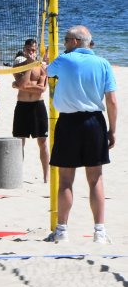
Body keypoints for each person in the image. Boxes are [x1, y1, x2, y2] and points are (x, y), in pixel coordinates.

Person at [45, 26, 117, 245]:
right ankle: (99, 232)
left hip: (68, 122)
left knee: (66, 179)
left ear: (75, 41)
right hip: (94, 122)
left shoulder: (64, 60)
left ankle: (62, 230)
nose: (64, 44)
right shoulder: (103, 63)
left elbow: (47, 72)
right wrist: (112, 130)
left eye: (66, 40)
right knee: (95, 178)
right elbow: (112, 101)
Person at [11, 39, 50, 182]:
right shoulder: (18, 66)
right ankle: (17, 176)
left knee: (43, 142)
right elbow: (22, 83)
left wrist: (21, 86)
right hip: (22, 106)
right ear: (24, 50)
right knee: (19, 142)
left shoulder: (42, 67)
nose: (31, 53)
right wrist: (28, 66)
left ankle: (46, 177)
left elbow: (42, 89)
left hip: (37, 106)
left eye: (33, 50)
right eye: (28, 50)